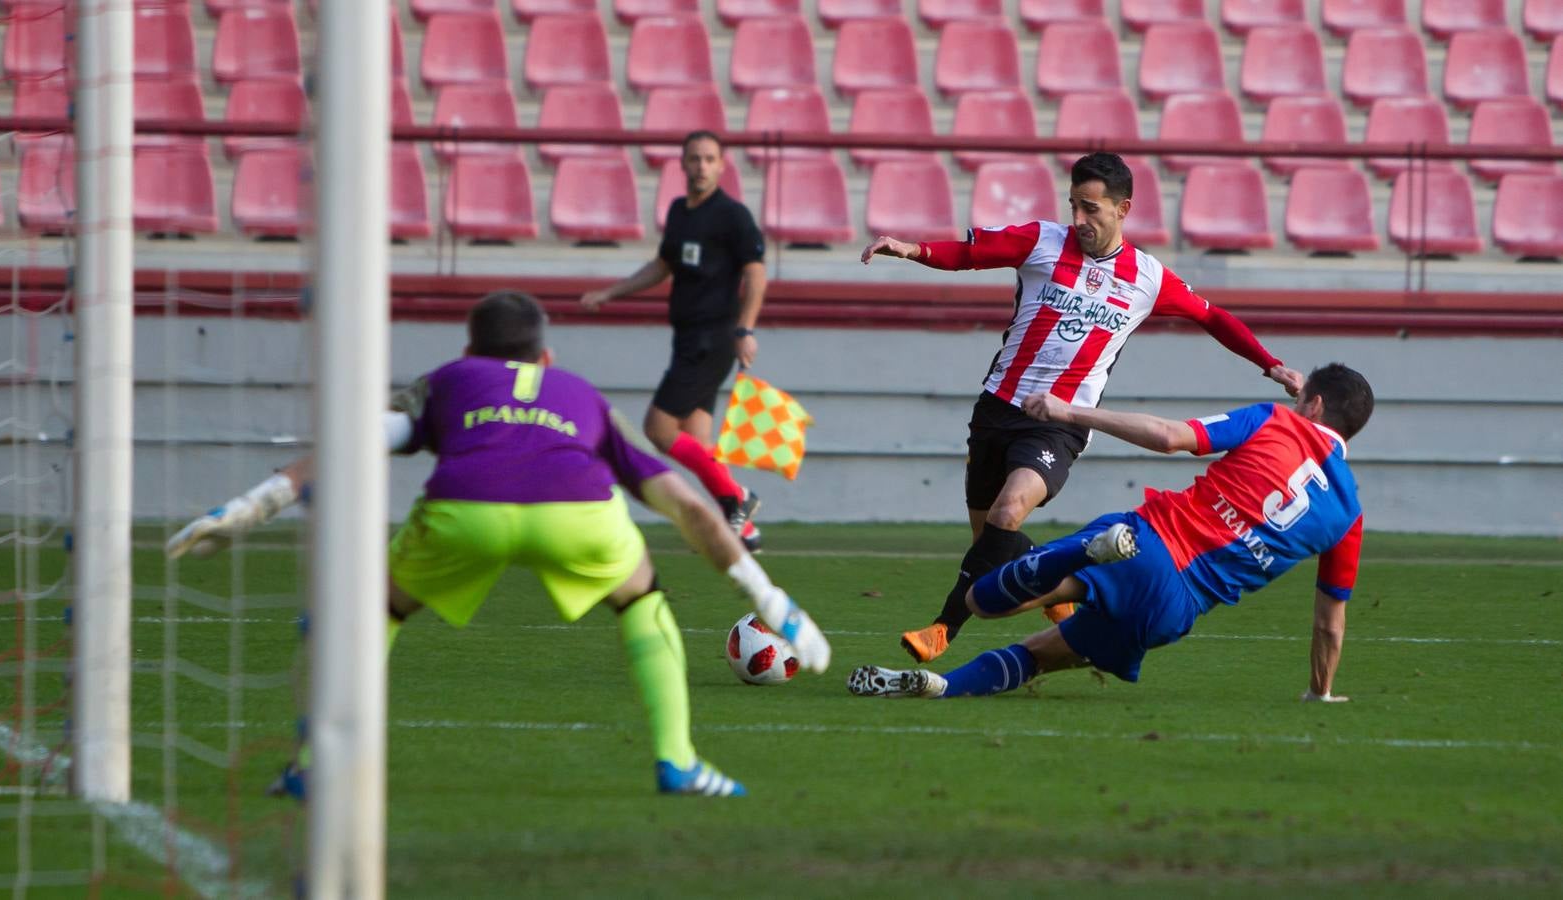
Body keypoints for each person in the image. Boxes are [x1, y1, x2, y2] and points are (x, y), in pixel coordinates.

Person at [166, 291, 831, 798]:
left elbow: (356, 440)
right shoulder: (584, 398)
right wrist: (772, 599)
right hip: (576, 514)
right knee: (640, 597)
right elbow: (686, 504)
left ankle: (316, 769)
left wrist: (253, 505)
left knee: (380, 609)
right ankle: (678, 761)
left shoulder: (450, 382)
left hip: (466, 509)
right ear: (546, 357)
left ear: (469, 352)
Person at [859, 151, 1305, 664]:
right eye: (1074, 205)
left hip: (1059, 423)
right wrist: (909, 249)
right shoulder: (1041, 241)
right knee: (992, 540)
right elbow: (967, 255)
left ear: (1123, 209)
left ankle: (943, 628)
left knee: (1008, 512)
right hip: (997, 409)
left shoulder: (1146, 277)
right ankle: (1053, 589)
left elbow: (1214, 318)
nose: (1079, 219)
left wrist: (1270, 365)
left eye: (1091, 208)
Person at [847, 363, 1372, 703]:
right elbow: (1330, 623)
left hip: (1146, 542)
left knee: (983, 600)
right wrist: (1319, 692)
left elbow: (1171, 437)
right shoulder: (1349, 515)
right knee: (1040, 655)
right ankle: (943, 688)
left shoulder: (1275, 420)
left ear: (1316, 405)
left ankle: (1081, 559)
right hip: (1174, 611)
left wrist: (1072, 410)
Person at [580, 130, 767, 552]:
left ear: (721, 166)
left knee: (658, 429)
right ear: (682, 165)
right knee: (698, 444)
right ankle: (745, 530)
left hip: (713, 337)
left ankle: (738, 499)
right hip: (687, 338)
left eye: (708, 159)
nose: (701, 166)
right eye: (694, 159)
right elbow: (662, 265)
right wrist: (612, 292)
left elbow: (755, 273)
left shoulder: (732, 216)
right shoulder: (680, 211)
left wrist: (745, 329)